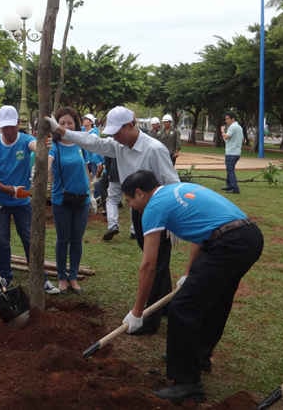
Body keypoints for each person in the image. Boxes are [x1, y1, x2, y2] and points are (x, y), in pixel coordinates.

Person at [120, 170, 263, 403]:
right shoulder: (179, 189)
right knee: (216, 301)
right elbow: (201, 232)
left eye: (130, 201)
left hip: (227, 243)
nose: (131, 206)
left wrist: (138, 312)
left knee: (182, 307)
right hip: (248, 237)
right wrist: (188, 273)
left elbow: (148, 265)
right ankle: (198, 356)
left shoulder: (154, 206)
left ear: (140, 193)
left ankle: (187, 383)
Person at [46, 105, 179, 333]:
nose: (115, 136)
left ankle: (149, 320)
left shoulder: (154, 149)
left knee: (155, 264)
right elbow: (92, 142)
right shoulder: (119, 145)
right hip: (139, 210)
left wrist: (174, 220)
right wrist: (63, 132)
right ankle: (165, 305)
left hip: (160, 211)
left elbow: (172, 182)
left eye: (119, 131)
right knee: (157, 261)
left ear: (131, 124)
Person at [0, 105, 60, 294]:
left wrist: (42, 146)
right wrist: (7, 189)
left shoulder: (25, 140)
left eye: (12, 126)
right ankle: (4, 277)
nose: (9, 131)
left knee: (29, 239)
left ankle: (40, 278)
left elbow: (34, 146)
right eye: (5, 127)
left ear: (18, 124)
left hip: (22, 202)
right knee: (2, 241)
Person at [49, 107, 89, 293]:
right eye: (62, 123)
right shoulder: (54, 146)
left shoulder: (81, 144)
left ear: (76, 124)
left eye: (69, 122)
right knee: (63, 239)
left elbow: (87, 169)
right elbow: (47, 166)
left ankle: (73, 276)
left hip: (82, 200)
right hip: (61, 200)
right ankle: (61, 277)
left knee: (77, 239)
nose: (66, 126)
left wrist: (91, 192)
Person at [221, 111, 243, 194]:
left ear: (232, 119)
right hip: (236, 152)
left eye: (227, 119)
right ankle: (229, 185)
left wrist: (222, 131)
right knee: (230, 169)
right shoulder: (239, 127)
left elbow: (226, 136)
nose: (226, 120)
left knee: (230, 170)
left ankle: (235, 188)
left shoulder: (232, 127)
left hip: (231, 153)